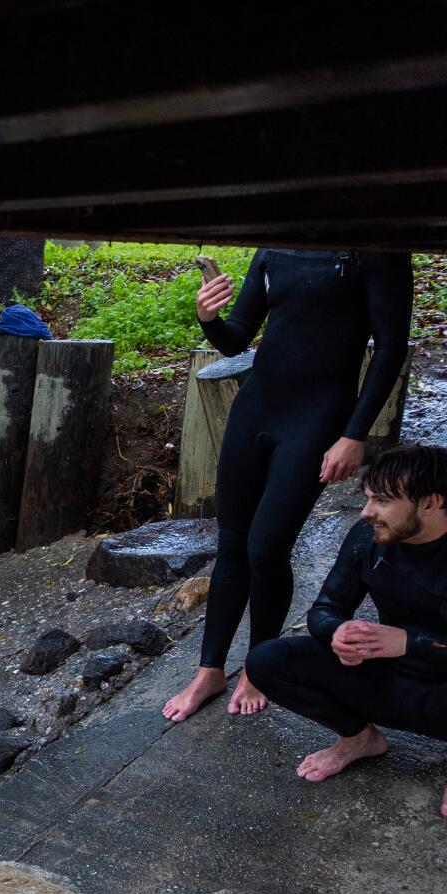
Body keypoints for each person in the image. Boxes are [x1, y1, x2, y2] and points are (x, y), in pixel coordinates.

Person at [163, 248, 413, 722]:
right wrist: (208, 318)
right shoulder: (277, 247)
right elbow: (236, 340)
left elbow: (390, 347)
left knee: (266, 546)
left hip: (317, 417)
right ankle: (209, 670)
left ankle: (258, 666)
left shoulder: (376, 250)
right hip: (255, 408)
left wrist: (353, 434)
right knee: (232, 544)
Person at [243, 446, 447, 817]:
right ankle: (358, 738)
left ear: (431, 502)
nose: (367, 512)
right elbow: (324, 610)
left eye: (382, 501)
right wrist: (338, 631)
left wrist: (407, 641)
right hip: (390, 682)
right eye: (368, 498)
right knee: (267, 660)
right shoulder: (367, 537)